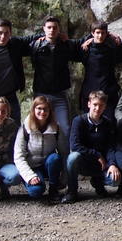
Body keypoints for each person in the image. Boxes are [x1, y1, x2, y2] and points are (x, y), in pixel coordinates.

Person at [26, 15, 84, 151]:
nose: (52, 30)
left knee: (65, 128)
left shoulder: (66, 45)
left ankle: (65, 160)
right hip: (41, 94)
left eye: (55, 28)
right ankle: (44, 158)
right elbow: (13, 43)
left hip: (59, 95)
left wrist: (96, 38)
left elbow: (83, 42)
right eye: (49, 27)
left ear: (59, 30)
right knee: (39, 128)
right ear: (44, 29)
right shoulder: (36, 45)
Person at [62, 90, 119, 203]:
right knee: (73, 157)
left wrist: (112, 164)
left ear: (105, 107)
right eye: (95, 104)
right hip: (84, 162)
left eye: (101, 105)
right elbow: (75, 145)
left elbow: (110, 147)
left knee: (115, 180)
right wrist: (96, 155)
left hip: (101, 165)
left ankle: (98, 183)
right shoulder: (79, 121)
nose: (97, 108)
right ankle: (72, 192)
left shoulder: (107, 123)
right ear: (89, 104)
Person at [14, 95, 65, 201]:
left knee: (55, 158)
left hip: (48, 165)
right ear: (33, 109)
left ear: (50, 111)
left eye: (45, 109)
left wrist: (64, 177)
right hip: (31, 167)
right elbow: (18, 157)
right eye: (39, 108)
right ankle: (34, 183)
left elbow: (64, 153)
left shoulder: (56, 128)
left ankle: (53, 189)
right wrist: (30, 176)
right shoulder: (25, 128)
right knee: (36, 191)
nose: (42, 112)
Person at [78, 21, 122, 121]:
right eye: (97, 33)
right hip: (90, 90)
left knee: (109, 121)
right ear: (92, 33)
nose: (100, 36)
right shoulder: (86, 48)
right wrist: (90, 39)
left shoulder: (111, 48)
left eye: (103, 33)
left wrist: (111, 35)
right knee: (88, 121)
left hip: (108, 91)